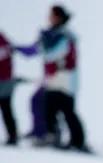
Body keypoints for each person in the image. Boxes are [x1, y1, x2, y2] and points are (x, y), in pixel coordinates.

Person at [18, 5, 87, 151]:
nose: (49, 17)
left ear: (59, 17)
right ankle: (50, 135)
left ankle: (76, 140)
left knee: (66, 109)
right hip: (54, 78)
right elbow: (34, 50)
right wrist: (16, 48)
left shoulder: (65, 36)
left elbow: (53, 54)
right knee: (48, 106)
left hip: (65, 79)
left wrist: (43, 46)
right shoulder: (51, 34)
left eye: (52, 15)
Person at [0, 31, 19, 145]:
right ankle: (12, 135)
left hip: (5, 80)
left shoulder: (2, 40)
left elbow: (6, 51)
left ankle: (13, 135)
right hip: (5, 79)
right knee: (6, 108)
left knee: (6, 107)